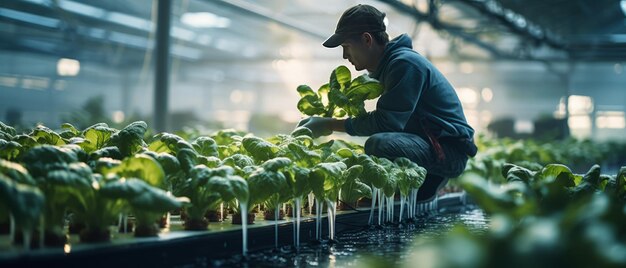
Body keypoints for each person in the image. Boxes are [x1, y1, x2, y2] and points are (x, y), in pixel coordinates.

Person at [298, 4, 477, 202]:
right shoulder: (389, 66)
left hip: (448, 152)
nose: (344, 55)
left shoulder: (404, 65)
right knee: (374, 146)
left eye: (346, 47)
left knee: (379, 144)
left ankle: (430, 182)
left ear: (367, 39)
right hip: (434, 145)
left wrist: (330, 124)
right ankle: (411, 189)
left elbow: (387, 122)